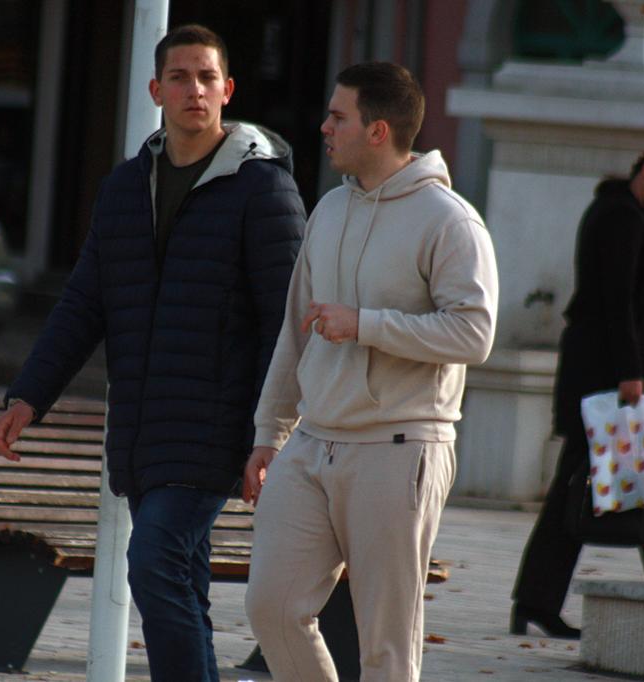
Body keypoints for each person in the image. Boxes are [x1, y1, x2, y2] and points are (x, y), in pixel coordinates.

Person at [0, 24, 305, 682]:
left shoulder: (262, 190)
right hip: (144, 430)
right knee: (181, 583)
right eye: (181, 77)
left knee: (155, 564)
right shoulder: (125, 188)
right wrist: (29, 395)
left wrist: (271, 432)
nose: (195, 90)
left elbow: (286, 323)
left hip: (217, 428)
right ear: (156, 90)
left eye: (208, 78)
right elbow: (85, 303)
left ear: (228, 90)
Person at [242, 62, 499, 682]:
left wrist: (366, 324)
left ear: (378, 130)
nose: (324, 127)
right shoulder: (330, 209)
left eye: (339, 116)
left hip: (400, 448)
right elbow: (295, 330)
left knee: (386, 646)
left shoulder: (451, 220)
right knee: (272, 607)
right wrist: (269, 432)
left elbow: (474, 334)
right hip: (312, 444)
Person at [511, 147, 644, 640]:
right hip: (609, 383)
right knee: (640, 486)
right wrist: (630, 373)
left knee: (591, 489)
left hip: (606, 381)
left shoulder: (630, 216)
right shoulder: (620, 218)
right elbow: (616, 301)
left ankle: (535, 602)